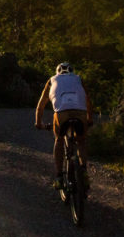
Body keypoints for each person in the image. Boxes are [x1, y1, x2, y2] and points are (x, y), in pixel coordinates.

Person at [34, 62, 93, 191]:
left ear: (57, 72)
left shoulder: (51, 80)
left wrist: (38, 123)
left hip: (61, 114)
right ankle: (83, 171)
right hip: (80, 112)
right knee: (81, 141)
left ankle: (59, 176)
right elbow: (88, 100)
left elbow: (41, 105)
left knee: (59, 140)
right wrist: (90, 119)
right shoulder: (78, 79)